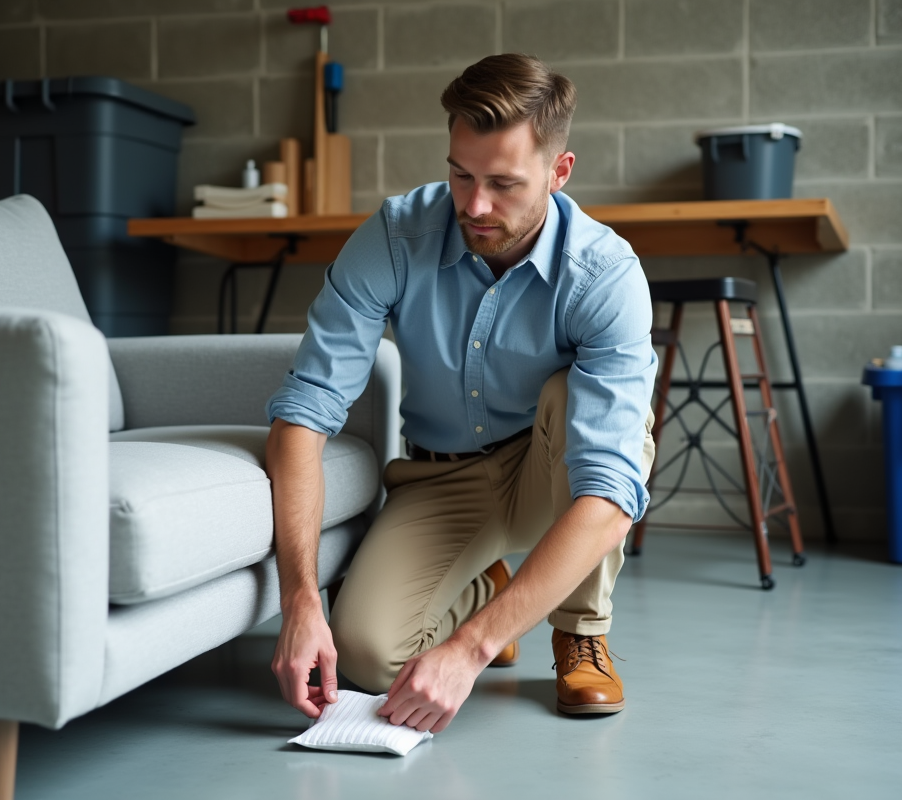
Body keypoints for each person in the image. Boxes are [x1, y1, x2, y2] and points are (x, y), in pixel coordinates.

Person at [264, 53, 657, 734]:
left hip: (551, 469)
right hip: (443, 476)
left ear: (560, 172)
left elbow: (609, 495)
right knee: (367, 654)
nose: (474, 206)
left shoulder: (604, 274)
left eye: (503, 184)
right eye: (461, 175)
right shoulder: (395, 237)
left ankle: (579, 631)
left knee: (577, 403)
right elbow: (305, 413)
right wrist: (299, 599)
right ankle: (490, 592)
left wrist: (471, 650)